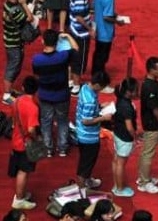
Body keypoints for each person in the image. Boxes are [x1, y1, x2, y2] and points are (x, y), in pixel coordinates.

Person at [31, 29, 77, 157]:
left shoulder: (37, 59)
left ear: (43, 41)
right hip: (62, 95)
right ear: (57, 42)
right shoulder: (62, 56)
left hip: (45, 95)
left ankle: (48, 148)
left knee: (46, 121)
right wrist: (67, 35)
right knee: (62, 120)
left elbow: (36, 74)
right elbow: (75, 48)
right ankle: (62, 148)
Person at [75, 70, 111, 190]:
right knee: (85, 164)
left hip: (82, 133)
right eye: (102, 87)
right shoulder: (90, 100)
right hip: (88, 137)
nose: (101, 90)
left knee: (87, 162)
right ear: (97, 85)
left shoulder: (85, 87)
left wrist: (100, 106)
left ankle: (87, 180)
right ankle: (81, 189)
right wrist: (103, 118)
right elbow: (86, 120)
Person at [9, 76, 40, 210]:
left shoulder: (16, 101)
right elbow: (31, 129)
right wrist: (36, 138)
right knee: (24, 171)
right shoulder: (33, 107)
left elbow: (13, 120)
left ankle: (21, 194)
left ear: (22, 87)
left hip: (16, 139)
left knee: (21, 170)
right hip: (25, 143)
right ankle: (19, 199)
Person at [137, 56, 158, 194]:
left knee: (146, 152)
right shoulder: (149, 87)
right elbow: (155, 109)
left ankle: (143, 177)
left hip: (152, 122)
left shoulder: (154, 83)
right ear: (152, 70)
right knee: (148, 153)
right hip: (152, 124)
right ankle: (144, 182)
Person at [92, 0, 125, 76]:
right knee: (102, 57)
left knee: (97, 54)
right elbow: (106, 17)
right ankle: (99, 77)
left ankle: (95, 73)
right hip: (105, 31)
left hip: (98, 28)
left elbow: (98, 7)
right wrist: (117, 21)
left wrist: (114, 14)